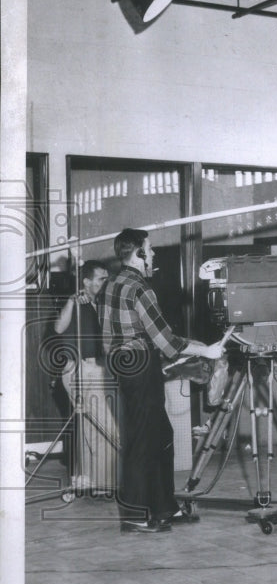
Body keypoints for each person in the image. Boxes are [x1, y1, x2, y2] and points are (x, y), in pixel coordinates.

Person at [101, 228, 223, 534]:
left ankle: (165, 508)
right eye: (150, 249)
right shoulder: (141, 288)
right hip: (140, 365)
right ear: (139, 253)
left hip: (123, 364)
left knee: (159, 433)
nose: (153, 255)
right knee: (144, 438)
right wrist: (206, 349)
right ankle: (134, 516)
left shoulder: (113, 283)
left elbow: (114, 337)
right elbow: (167, 341)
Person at [53, 259, 117, 493]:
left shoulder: (92, 305)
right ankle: (102, 482)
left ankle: (88, 479)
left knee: (91, 426)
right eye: (101, 278)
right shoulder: (76, 302)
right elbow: (59, 328)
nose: (105, 282)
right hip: (80, 369)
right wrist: (71, 301)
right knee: (104, 424)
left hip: (93, 368)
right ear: (86, 281)